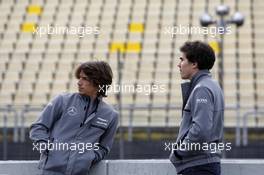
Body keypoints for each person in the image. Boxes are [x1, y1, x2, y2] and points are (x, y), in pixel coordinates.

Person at [30, 61, 119, 175]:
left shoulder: (111, 115)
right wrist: (48, 149)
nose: (79, 82)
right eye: (79, 78)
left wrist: (89, 158)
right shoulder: (62, 100)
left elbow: (104, 147)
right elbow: (37, 127)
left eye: (84, 79)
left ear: (98, 82)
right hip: (50, 172)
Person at [169, 41, 224, 175]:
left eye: (182, 60)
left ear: (194, 64)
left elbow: (201, 130)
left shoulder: (202, 89)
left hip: (198, 166)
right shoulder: (211, 85)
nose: (179, 64)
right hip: (204, 164)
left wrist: (178, 152)